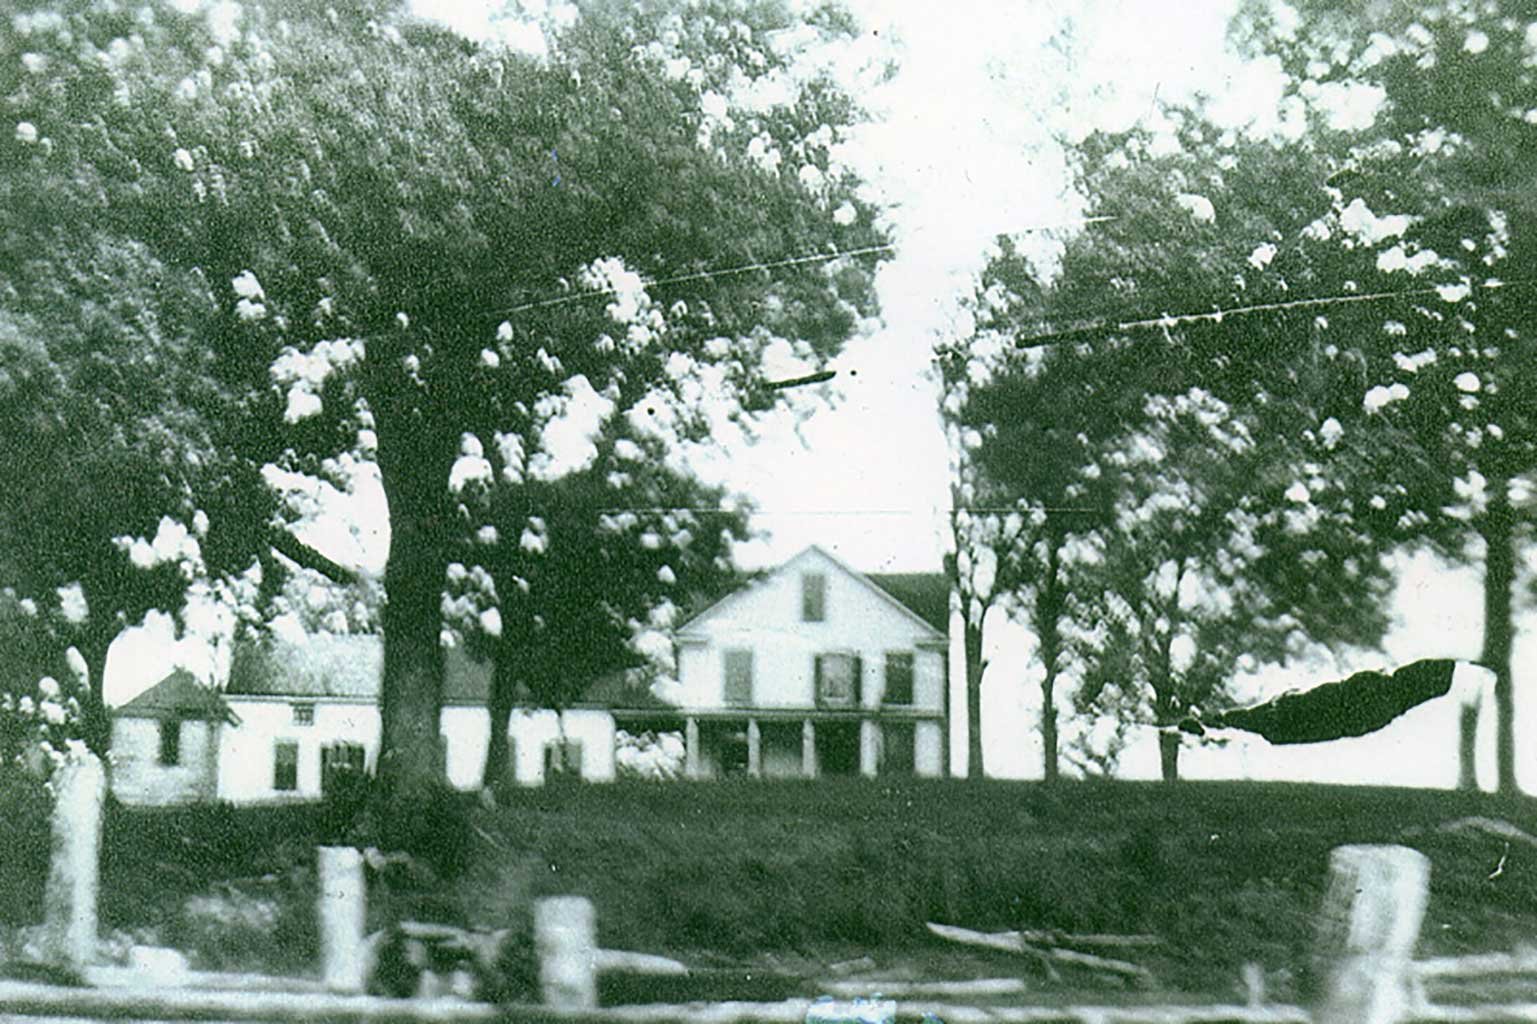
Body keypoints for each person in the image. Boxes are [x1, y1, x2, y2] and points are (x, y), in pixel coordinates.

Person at [1175, 658, 1484, 745]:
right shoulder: (1275, 724)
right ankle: (1458, 673)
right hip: (1347, 709)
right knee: (1271, 721)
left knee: (1271, 720)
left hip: (1346, 710)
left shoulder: (1274, 723)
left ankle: (1458, 673)